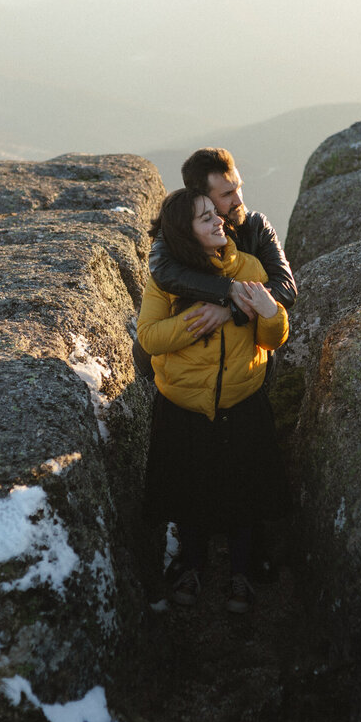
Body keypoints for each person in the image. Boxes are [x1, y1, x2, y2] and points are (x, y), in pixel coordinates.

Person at [137, 188, 290, 614]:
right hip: (183, 407)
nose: (219, 221)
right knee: (189, 495)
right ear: (186, 234)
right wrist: (197, 319)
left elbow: (271, 339)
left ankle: (240, 574)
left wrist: (270, 312)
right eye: (205, 219)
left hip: (241, 402)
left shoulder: (250, 267)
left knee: (244, 495)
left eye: (215, 214)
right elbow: (149, 338)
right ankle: (193, 564)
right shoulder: (166, 280)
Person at [134, 147, 296, 379]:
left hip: (245, 369)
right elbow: (163, 270)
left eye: (239, 187)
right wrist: (228, 289)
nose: (239, 200)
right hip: (176, 374)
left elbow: (286, 287)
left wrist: (231, 309)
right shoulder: (176, 230)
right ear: (201, 198)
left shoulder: (256, 227)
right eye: (227, 194)